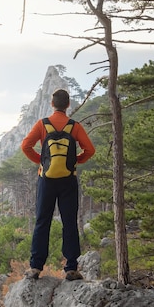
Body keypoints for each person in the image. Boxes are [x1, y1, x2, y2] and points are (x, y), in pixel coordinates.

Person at [21, 88, 95, 281]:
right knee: (69, 222)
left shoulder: (42, 124)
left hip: (46, 179)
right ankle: (71, 268)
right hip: (68, 179)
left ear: (52, 104)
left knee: (42, 221)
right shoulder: (74, 126)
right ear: (68, 105)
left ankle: (36, 268)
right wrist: (75, 161)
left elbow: (25, 146)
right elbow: (90, 150)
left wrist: (43, 161)